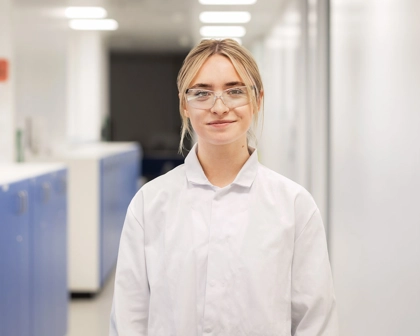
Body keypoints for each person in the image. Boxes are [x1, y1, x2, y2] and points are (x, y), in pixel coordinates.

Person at [110, 38, 338, 336]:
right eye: (202, 93)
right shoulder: (149, 203)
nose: (219, 107)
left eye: (235, 91)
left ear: (258, 100)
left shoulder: (294, 206)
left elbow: (315, 320)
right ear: (184, 105)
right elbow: (129, 317)